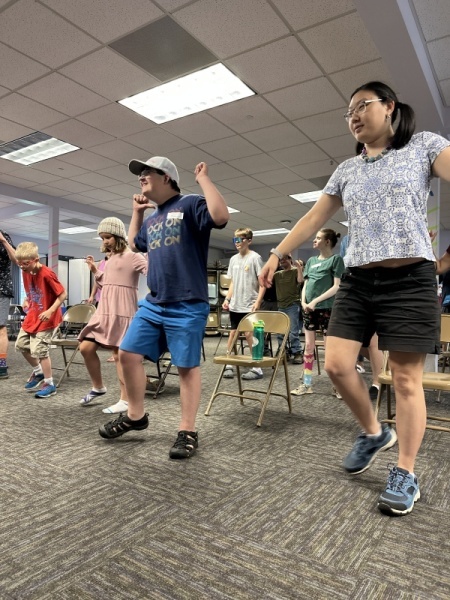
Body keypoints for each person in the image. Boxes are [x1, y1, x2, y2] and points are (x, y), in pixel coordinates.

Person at [259, 81, 450, 516]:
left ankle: (405, 472)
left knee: (406, 380)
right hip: (359, 280)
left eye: (362, 106)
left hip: (410, 279)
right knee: (336, 365)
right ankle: (374, 432)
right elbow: (314, 216)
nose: (354, 116)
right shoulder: (346, 169)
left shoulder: (423, 146)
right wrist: (276, 253)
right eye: (349, 113)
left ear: (390, 106)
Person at [99, 156, 229, 459]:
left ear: (167, 177)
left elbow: (221, 216)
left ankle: (187, 431)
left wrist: (203, 180)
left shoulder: (190, 203)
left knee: (186, 367)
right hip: (154, 302)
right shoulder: (153, 217)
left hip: (188, 302)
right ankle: (136, 416)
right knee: (127, 354)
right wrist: (137, 212)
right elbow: (135, 243)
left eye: (147, 172)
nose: (141, 177)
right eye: (140, 173)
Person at [79, 217, 147, 414]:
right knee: (85, 347)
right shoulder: (109, 259)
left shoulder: (134, 256)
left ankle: (125, 399)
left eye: (108, 237)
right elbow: (107, 283)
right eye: (102, 238)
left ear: (118, 235)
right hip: (104, 311)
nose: (105, 242)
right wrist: (95, 271)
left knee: (119, 355)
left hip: (123, 311)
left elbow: (152, 273)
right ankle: (98, 387)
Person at [291, 229, 344, 396]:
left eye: (318, 238)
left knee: (330, 349)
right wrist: (303, 301)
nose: (314, 240)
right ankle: (307, 384)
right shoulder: (312, 261)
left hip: (327, 308)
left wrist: (315, 302)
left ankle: (337, 386)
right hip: (309, 309)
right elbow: (306, 284)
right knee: (308, 346)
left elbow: (336, 286)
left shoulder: (336, 260)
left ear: (327, 242)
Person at [15, 242, 67, 398]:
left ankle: (49, 384)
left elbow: (63, 294)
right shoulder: (25, 271)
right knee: (21, 345)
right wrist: (26, 300)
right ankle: (38, 372)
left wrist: (50, 310)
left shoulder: (47, 274)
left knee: (40, 350)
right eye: (19, 263)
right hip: (33, 314)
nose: (22, 266)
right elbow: (32, 291)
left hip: (47, 317)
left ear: (36, 259)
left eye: (25, 263)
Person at [340, 234, 383, 400]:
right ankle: (385, 368)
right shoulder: (347, 240)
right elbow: (346, 264)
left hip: (379, 288)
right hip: (356, 289)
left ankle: (378, 383)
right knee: (355, 341)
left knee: (373, 341)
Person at [222, 228, 266, 380]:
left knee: (249, 334)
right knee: (233, 333)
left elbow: (263, 283)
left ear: (249, 241)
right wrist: (227, 299)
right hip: (236, 304)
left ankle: (257, 367)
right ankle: (229, 364)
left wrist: (258, 301)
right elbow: (233, 282)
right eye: (235, 240)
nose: (237, 242)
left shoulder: (255, 258)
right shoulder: (233, 259)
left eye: (240, 239)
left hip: (250, 305)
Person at [273, 254, 304, 364]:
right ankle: (283, 351)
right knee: (280, 331)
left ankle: (297, 353)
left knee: (293, 331)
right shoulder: (277, 274)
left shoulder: (295, 271)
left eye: (284, 259)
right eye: (280, 260)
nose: (282, 261)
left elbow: (300, 280)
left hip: (292, 305)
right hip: (281, 305)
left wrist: (299, 268)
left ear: (290, 259)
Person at [0, 230, 17, 379]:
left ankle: (1, 365)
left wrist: (3, 241)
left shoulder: (4, 236)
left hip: (1, 289)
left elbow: (16, 259)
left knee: (0, 328)